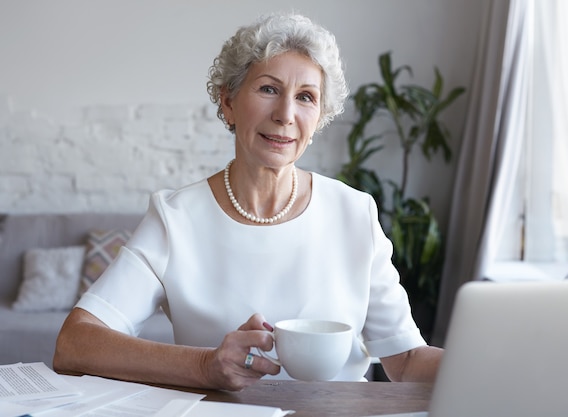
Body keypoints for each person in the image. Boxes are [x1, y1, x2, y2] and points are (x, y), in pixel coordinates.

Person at [53, 12, 443, 392]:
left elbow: (406, 361)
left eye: (305, 97)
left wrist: (497, 367)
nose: (285, 115)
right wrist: (205, 366)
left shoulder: (355, 212)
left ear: (319, 118)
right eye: (269, 89)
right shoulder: (176, 219)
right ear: (228, 102)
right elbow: (75, 343)